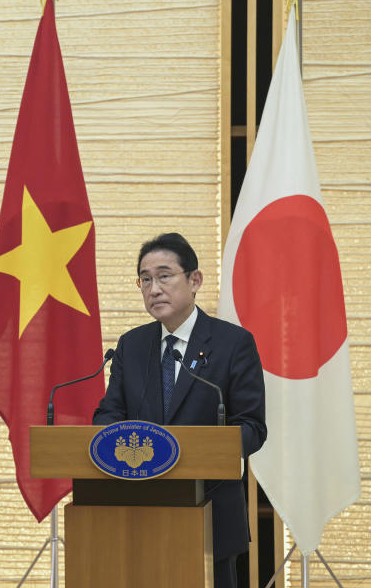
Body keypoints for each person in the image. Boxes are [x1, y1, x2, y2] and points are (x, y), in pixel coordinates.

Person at [93, 232, 266, 588]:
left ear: (194, 279)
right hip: (137, 514)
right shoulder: (132, 345)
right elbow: (108, 415)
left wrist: (198, 449)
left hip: (211, 514)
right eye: (145, 279)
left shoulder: (233, 343)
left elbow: (252, 426)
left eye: (164, 275)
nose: (153, 288)